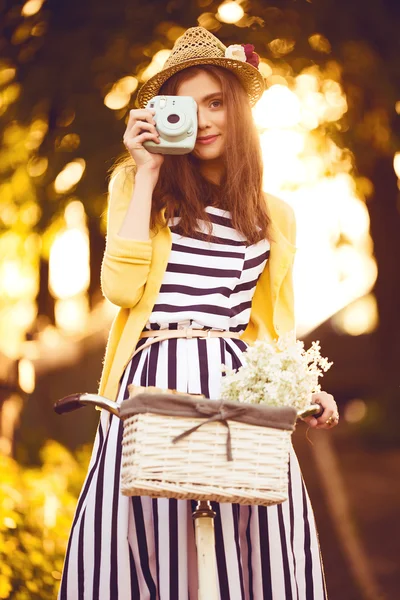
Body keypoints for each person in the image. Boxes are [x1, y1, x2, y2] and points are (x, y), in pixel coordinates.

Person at [59, 26, 339, 600]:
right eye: (186, 108)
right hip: (154, 385)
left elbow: (271, 329)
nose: (205, 120)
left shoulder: (274, 215)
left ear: (239, 110)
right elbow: (120, 288)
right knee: (149, 543)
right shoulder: (140, 187)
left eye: (216, 103)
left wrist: (307, 387)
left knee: (251, 540)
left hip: (239, 396)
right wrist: (147, 175)